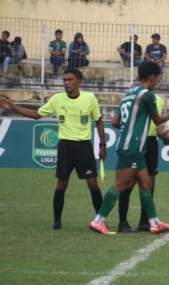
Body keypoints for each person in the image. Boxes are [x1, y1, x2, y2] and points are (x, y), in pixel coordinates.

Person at [0, 68, 105, 230]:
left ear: (79, 82)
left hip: (83, 146)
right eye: (64, 80)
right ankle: (57, 221)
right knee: (62, 183)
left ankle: (100, 221)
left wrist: (102, 145)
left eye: (70, 80)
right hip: (65, 146)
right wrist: (13, 107)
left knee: (92, 183)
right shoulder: (57, 99)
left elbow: (98, 120)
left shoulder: (89, 98)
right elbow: (36, 115)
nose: (66, 83)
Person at [89, 62, 169, 235]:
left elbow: (116, 122)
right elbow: (157, 120)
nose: (158, 81)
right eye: (158, 78)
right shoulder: (146, 95)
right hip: (132, 147)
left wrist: (131, 128)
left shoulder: (129, 94)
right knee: (120, 185)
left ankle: (154, 223)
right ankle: (98, 221)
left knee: (146, 184)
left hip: (132, 146)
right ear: (152, 77)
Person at [117, 93, 164, 232]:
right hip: (136, 141)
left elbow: (156, 124)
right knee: (128, 182)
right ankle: (123, 222)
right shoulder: (135, 97)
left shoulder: (158, 99)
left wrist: (167, 137)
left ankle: (145, 222)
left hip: (151, 142)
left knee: (149, 183)